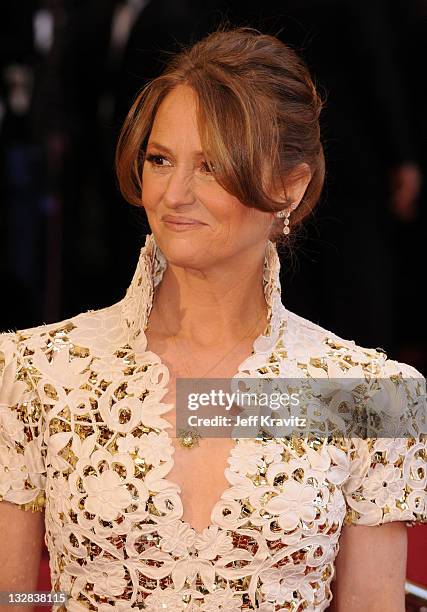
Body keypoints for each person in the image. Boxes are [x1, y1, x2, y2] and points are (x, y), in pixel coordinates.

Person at [0, 26, 426, 612]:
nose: (174, 193)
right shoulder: (40, 370)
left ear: (290, 190)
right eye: (160, 159)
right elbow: (14, 595)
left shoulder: (364, 394)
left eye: (210, 166)